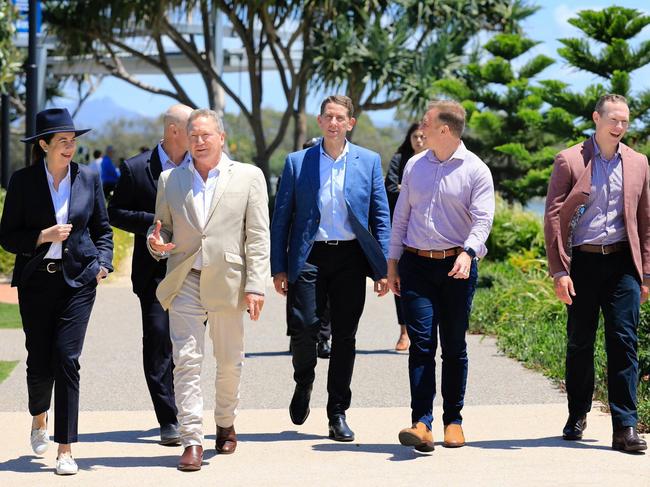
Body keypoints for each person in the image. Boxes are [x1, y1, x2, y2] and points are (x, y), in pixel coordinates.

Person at [147, 108, 269, 471]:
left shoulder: (248, 176)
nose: (198, 142)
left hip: (229, 282)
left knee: (229, 361)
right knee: (185, 361)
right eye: (193, 136)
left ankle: (225, 421)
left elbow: (258, 236)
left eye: (205, 135)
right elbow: (163, 229)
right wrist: (157, 243)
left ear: (221, 138)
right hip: (185, 278)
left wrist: (255, 286)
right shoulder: (170, 180)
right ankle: (192, 439)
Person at [271, 95, 391, 442]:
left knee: (345, 336)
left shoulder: (368, 161)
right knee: (305, 327)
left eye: (341, 117)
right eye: (328, 117)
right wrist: (279, 267)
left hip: (351, 258)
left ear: (350, 123)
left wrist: (383, 267)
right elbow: (282, 219)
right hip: (309, 257)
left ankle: (337, 412)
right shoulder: (298, 162)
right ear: (320, 122)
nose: (334, 123)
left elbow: (380, 217)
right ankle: (304, 380)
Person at [0, 108, 113, 475]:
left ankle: (65, 448)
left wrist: (103, 264)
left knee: (67, 359)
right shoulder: (22, 182)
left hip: (78, 281)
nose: (70, 147)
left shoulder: (89, 177)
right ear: (44, 145)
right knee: (39, 361)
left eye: (73, 140)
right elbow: (7, 237)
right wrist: (42, 237)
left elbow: (102, 229)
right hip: (36, 281)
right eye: (62, 141)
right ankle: (38, 418)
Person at [388, 100, 494, 452]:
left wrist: (468, 252)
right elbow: (401, 217)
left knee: (453, 346)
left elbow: (482, 221)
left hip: (456, 267)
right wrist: (392, 263)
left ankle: (453, 420)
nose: (420, 128)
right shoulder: (415, 165)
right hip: (416, 265)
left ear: (444, 129)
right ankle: (422, 423)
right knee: (421, 345)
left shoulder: (476, 170)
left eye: (426, 123)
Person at [544, 93, 648, 452]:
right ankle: (577, 413)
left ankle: (626, 426)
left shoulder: (638, 163)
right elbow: (554, 220)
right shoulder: (570, 160)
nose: (619, 127)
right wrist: (559, 271)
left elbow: (645, 222)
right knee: (580, 342)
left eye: (625, 121)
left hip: (622, 264)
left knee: (624, 342)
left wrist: (645, 274)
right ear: (596, 119)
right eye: (613, 120)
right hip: (582, 264)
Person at [108, 103, 193, 446]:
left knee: (186, 346)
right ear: (174, 131)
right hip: (153, 274)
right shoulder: (135, 168)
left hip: (193, 270)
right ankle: (168, 419)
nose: (198, 136)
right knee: (158, 341)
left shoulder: (201, 166)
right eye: (192, 130)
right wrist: (153, 225)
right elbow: (115, 213)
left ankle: (187, 412)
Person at [384, 123, 427, 352]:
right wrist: (412, 190)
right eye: (415, 136)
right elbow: (390, 188)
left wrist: (408, 188)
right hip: (402, 229)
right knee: (400, 281)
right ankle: (404, 331)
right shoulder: (400, 160)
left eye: (422, 136)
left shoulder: (436, 160)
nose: (419, 140)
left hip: (429, 235)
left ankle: (423, 331)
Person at [302, 136, 331, 359]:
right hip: (301, 248)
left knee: (328, 299)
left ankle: (323, 338)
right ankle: (298, 336)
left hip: (330, 248)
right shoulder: (294, 170)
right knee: (299, 302)